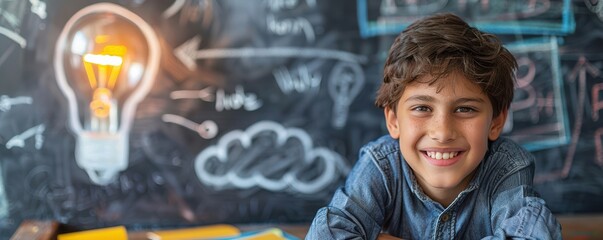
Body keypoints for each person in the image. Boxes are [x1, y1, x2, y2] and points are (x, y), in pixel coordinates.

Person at [306, 13, 561, 239]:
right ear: (394, 121)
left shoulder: (505, 166)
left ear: (496, 122)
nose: (442, 132)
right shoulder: (381, 166)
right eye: (422, 108)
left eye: (465, 109)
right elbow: (327, 234)